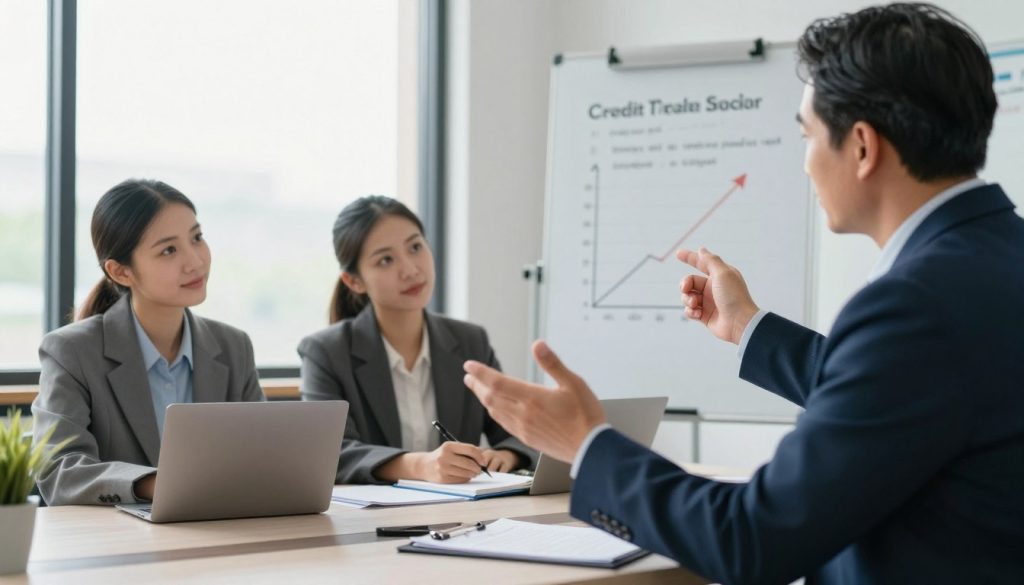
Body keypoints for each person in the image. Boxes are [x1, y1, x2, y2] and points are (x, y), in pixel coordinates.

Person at [462, 4, 1024, 584]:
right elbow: (907, 391)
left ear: (862, 146)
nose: (805, 165)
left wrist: (586, 443)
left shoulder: (913, 305)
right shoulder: (996, 261)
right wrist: (750, 327)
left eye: (807, 136)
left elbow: (752, 538)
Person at [33, 179, 265, 506]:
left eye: (197, 238)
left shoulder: (233, 347)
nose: (195, 261)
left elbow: (263, 454)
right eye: (169, 250)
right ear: (121, 272)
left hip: (220, 525)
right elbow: (59, 470)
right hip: (118, 534)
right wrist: (156, 484)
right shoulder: (72, 352)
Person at [298, 195, 534, 484]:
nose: (410, 269)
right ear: (354, 281)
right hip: (376, 512)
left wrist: (508, 455)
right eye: (385, 260)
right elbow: (330, 452)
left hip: (462, 510)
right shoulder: (325, 352)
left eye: (415, 247)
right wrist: (419, 466)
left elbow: (517, 430)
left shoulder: (471, 341)